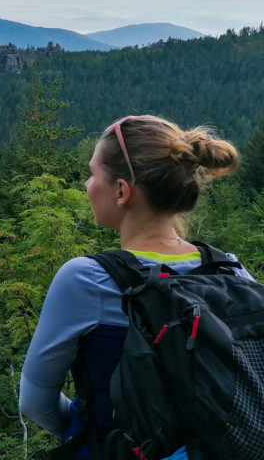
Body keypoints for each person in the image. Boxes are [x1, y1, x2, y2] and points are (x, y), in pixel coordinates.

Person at [19, 114, 243, 460]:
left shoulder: (85, 279)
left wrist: (88, 430)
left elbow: (35, 402)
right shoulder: (231, 270)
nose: (87, 184)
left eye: (93, 174)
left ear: (122, 191)